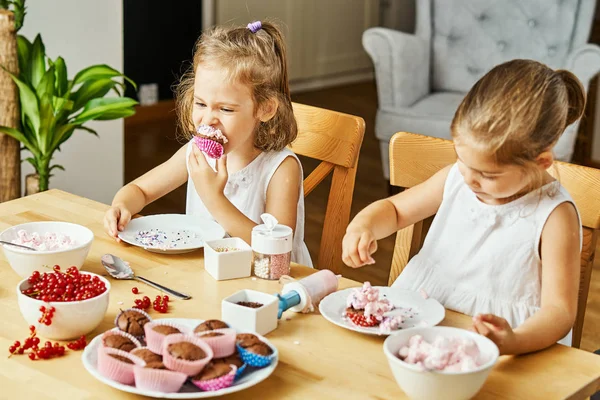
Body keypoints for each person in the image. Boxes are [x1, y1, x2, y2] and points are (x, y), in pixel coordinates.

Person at [342, 59, 584, 355]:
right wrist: (364, 224)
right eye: (462, 160)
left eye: (488, 174)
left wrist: (514, 340)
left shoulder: (554, 215)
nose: (470, 178)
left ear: (540, 162)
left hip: (504, 348)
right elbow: (396, 211)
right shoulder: (457, 177)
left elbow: (559, 311)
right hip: (424, 323)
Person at [103, 20, 312, 266]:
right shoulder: (196, 153)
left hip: (267, 285)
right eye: (201, 104)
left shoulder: (280, 168)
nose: (208, 119)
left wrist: (214, 198)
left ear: (265, 109)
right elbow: (139, 190)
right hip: (208, 275)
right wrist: (121, 206)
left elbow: (277, 253)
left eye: (225, 109)